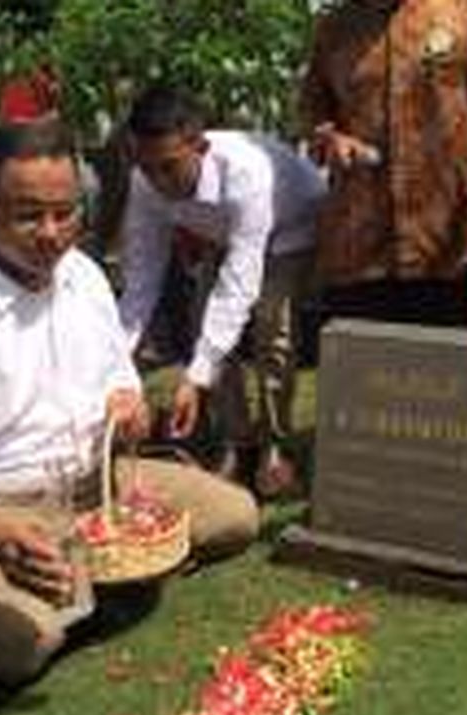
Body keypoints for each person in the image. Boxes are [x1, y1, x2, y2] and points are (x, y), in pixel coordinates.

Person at [0, 119, 260, 684]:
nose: (52, 233)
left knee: (238, 516)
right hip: (3, 511)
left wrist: (129, 404)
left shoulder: (82, 274)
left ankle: (94, 581)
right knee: (23, 643)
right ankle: (16, 591)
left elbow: (118, 374)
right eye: (29, 215)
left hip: (101, 488)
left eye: (66, 213)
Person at [119, 86, 325, 497]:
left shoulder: (246, 173)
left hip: (293, 225)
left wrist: (195, 379)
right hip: (224, 232)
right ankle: (239, 443)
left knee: (271, 325)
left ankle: (275, 447)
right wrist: (118, 359)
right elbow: (142, 276)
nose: (158, 181)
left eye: (169, 167)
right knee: (202, 325)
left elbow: (239, 285)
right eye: (148, 167)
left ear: (200, 146)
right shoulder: (144, 181)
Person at [300, 0, 467, 327]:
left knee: (443, 373)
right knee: (360, 373)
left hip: (446, 244)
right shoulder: (334, 27)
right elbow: (312, 111)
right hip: (359, 248)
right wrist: (331, 139)